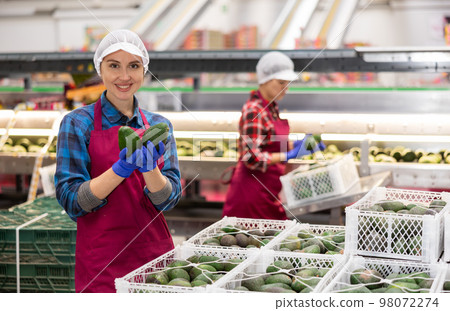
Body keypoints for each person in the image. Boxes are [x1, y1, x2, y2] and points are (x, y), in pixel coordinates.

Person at [55, 29, 181, 293]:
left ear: (144, 70)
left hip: (153, 259)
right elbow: (71, 201)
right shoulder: (78, 123)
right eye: (114, 66)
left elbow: (169, 200)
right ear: (100, 70)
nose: (124, 77)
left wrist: (150, 171)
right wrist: (120, 170)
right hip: (102, 263)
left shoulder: (159, 125)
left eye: (134, 66)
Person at [222, 51, 324, 220]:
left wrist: (297, 145)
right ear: (265, 80)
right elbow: (251, 157)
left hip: (268, 191)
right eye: (281, 83)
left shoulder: (271, 108)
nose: (286, 88)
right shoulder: (254, 110)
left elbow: (269, 142)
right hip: (251, 195)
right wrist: (288, 154)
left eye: (288, 83)